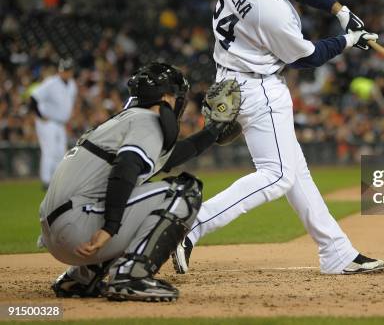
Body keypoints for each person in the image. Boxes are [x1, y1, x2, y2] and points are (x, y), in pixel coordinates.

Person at [173, 0, 384, 275]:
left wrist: (340, 10)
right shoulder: (270, 12)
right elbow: (308, 57)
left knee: (295, 171)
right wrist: (349, 40)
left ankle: (336, 251)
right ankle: (192, 226)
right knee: (279, 175)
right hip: (257, 88)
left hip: (230, 76)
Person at [39, 63, 241, 302]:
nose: (179, 102)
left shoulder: (128, 120)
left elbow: (170, 158)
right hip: (79, 228)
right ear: (166, 97)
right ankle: (131, 276)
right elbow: (126, 167)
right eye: (177, 97)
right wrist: (110, 227)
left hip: (59, 229)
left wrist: (213, 132)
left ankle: (81, 278)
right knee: (184, 192)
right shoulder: (147, 121)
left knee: (137, 197)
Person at [30, 58, 77, 191]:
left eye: (68, 71)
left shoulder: (72, 84)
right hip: (47, 122)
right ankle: (46, 181)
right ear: (59, 71)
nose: (65, 73)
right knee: (49, 150)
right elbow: (33, 98)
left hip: (60, 123)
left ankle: (56, 180)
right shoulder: (51, 83)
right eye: (63, 70)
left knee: (61, 152)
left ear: (71, 72)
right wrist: (39, 116)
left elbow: (68, 104)